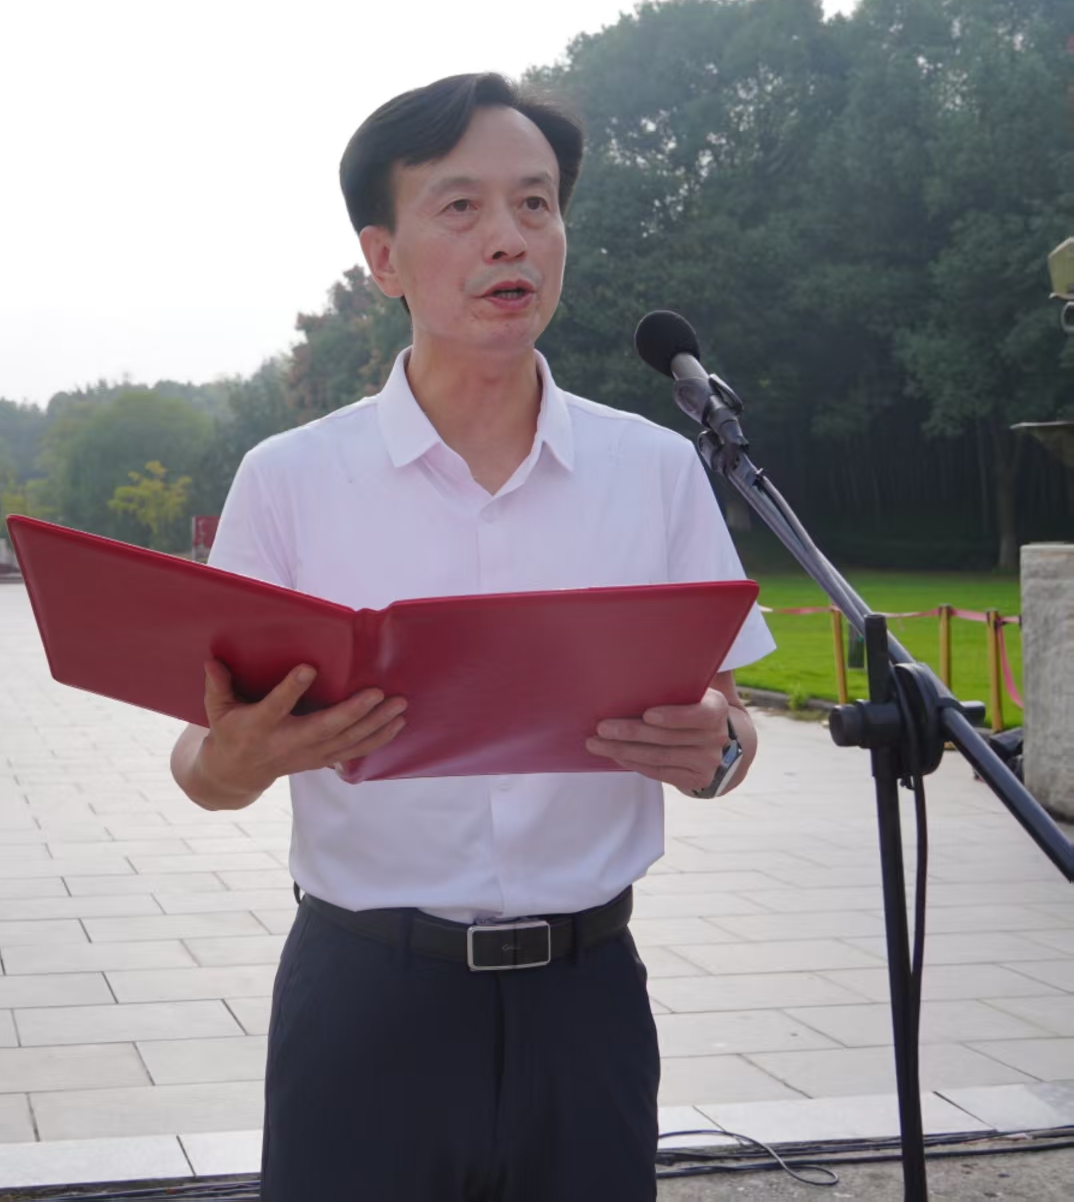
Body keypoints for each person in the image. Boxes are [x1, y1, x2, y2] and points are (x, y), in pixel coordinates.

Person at [168, 73, 775, 1202]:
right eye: (461, 207)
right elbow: (202, 758)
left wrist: (718, 749)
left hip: (588, 1001)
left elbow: (731, 726)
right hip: (367, 1000)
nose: (511, 236)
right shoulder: (291, 481)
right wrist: (237, 761)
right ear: (382, 259)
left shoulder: (653, 470)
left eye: (536, 203)